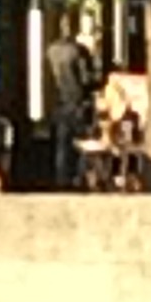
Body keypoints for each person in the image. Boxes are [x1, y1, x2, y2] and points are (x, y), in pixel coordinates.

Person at [46, 24, 98, 189]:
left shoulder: (51, 51)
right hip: (77, 102)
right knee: (81, 143)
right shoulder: (78, 51)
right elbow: (87, 79)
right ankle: (80, 177)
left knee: (62, 144)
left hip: (60, 103)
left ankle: (61, 178)